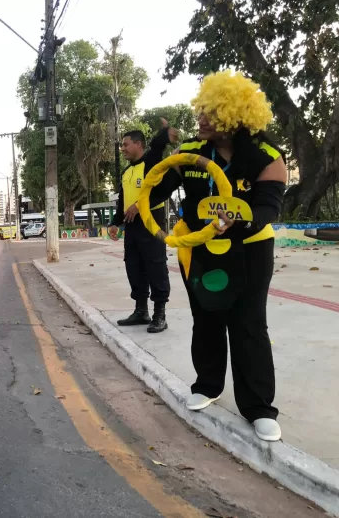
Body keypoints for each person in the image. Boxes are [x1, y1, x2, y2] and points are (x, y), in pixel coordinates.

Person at [145, 71, 287, 442]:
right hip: (199, 249)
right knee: (205, 316)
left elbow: (268, 209)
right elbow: (154, 189)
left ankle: (258, 407)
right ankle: (208, 386)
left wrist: (237, 223)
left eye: (211, 112)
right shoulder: (192, 154)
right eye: (201, 110)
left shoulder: (267, 156)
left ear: (234, 116)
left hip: (251, 248)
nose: (201, 118)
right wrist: (162, 148)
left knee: (248, 322)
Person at [108, 119, 179, 333]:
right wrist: (114, 223)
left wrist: (165, 132)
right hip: (132, 229)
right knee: (134, 268)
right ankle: (141, 310)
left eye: (126, 144)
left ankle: (160, 314)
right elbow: (122, 203)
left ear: (138, 144)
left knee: (156, 267)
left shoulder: (151, 164)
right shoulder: (126, 173)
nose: (123, 149)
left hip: (152, 224)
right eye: (122, 145)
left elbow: (157, 151)